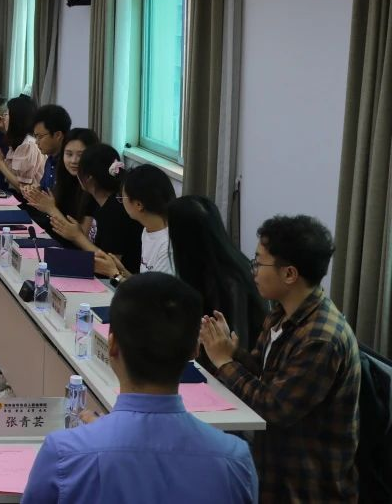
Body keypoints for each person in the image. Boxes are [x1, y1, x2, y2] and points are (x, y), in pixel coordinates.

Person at [21, 273, 257, 504]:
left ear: (112, 346)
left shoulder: (64, 453)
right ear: (194, 351)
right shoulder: (235, 460)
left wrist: (100, 435)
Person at [199, 215, 360, 504]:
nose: (253, 272)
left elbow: (274, 407)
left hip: (303, 485)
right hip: (273, 462)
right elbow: (264, 374)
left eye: (259, 263)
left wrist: (225, 363)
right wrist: (231, 353)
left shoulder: (320, 339)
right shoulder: (281, 313)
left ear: (289, 274)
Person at [166, 196, 267, 370]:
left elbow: (235, 346)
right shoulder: (203, 269)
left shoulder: (230, 280)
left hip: (233, 372)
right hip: (213, 364)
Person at [46, 143, 141, 276]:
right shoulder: (96, 199)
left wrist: (77, 236)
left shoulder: (116, 210)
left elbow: (110, 265)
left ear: (88, 177)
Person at [21, 127, 99, 236]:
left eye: (80, 155)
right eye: (69, 154)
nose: (73, 161)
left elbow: (81, 237)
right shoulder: (65, 178)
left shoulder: (93, 189)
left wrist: (51, 209)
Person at [116, 164, 176, 276]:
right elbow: (144, 284)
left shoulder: (168, 246)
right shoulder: (148, 230)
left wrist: (115, 274)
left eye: (122, 197)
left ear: (139, 204)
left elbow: (156, 288)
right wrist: (121, 271)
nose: (121, 202)